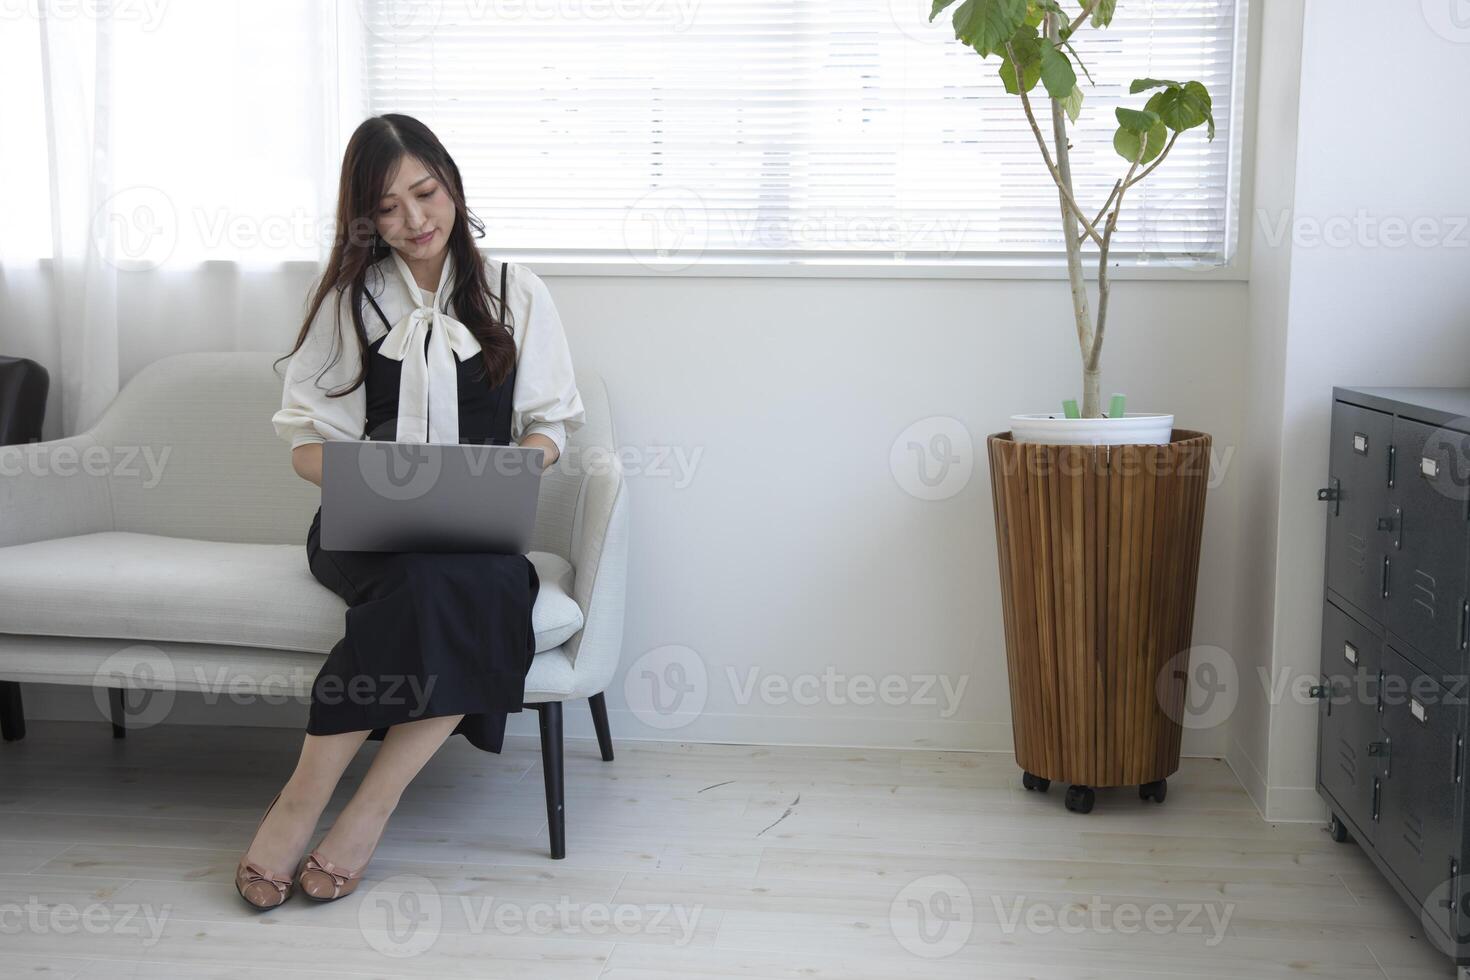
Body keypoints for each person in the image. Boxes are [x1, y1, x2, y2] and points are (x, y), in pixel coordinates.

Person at [235, 113, 585, 910]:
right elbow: (304, 444)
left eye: (424, 194)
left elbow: (549, 425)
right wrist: (381, 483)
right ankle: (301, 804)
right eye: (387, 208)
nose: (414, 221)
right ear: (364, 218)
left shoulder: (516, 293)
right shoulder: (349, 302)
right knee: (451, 590)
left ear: (453, 185)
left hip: (476, 532)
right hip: (368, 532)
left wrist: (518, 466)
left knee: (476, 584)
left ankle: (367, 806)